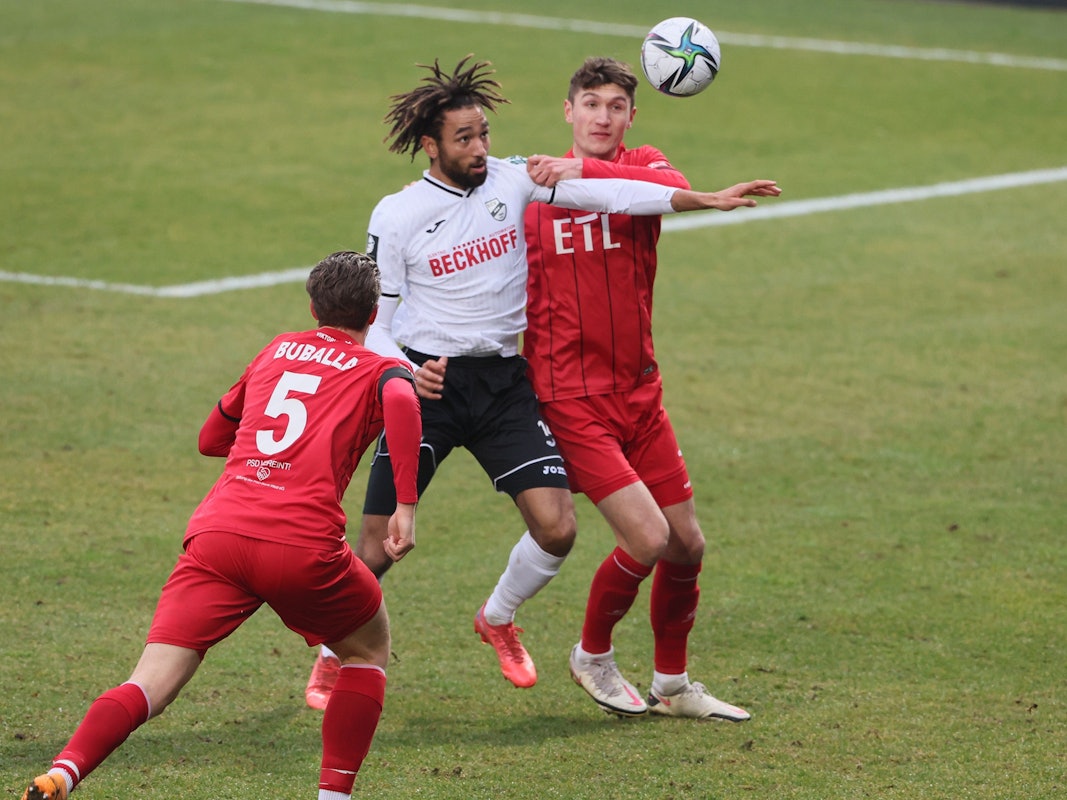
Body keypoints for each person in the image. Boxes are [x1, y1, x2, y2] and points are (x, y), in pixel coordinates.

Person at [303, 55, 778, 705]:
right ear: (430, 145)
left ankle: (496, 618)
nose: (479, 148)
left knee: (557, 529)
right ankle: (332, 652)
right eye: (464, 138)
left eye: (483, 134)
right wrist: (408, 371)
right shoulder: (399, 213)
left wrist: (703, 198)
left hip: (502, 383)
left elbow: (614, 192)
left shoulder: (514, 180)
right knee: (381, 544)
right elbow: (375, 321)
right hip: (430, 388)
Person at [20, 251, 422, 800]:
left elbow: (211, 439)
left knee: (149, 682)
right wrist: (405, 507)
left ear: (312, 306)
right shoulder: (381, 368)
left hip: (218, 536)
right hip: (302, 545)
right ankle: (334, 796)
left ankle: (63, 771)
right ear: (374, 316)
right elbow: (402, 397)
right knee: (366, 649)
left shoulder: (276, 349)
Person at [523, 57, 775, 720]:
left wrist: (588, 171)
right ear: (567, 111)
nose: (602, 117)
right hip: (570, 397)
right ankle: (591, 655)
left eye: (614, 106)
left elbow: (671, 187)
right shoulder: (529, 189)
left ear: (631, 116)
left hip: (639, 393)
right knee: (647, 538)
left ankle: (671, 684)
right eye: (590, 104)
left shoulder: (643, 168)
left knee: (687, 543)